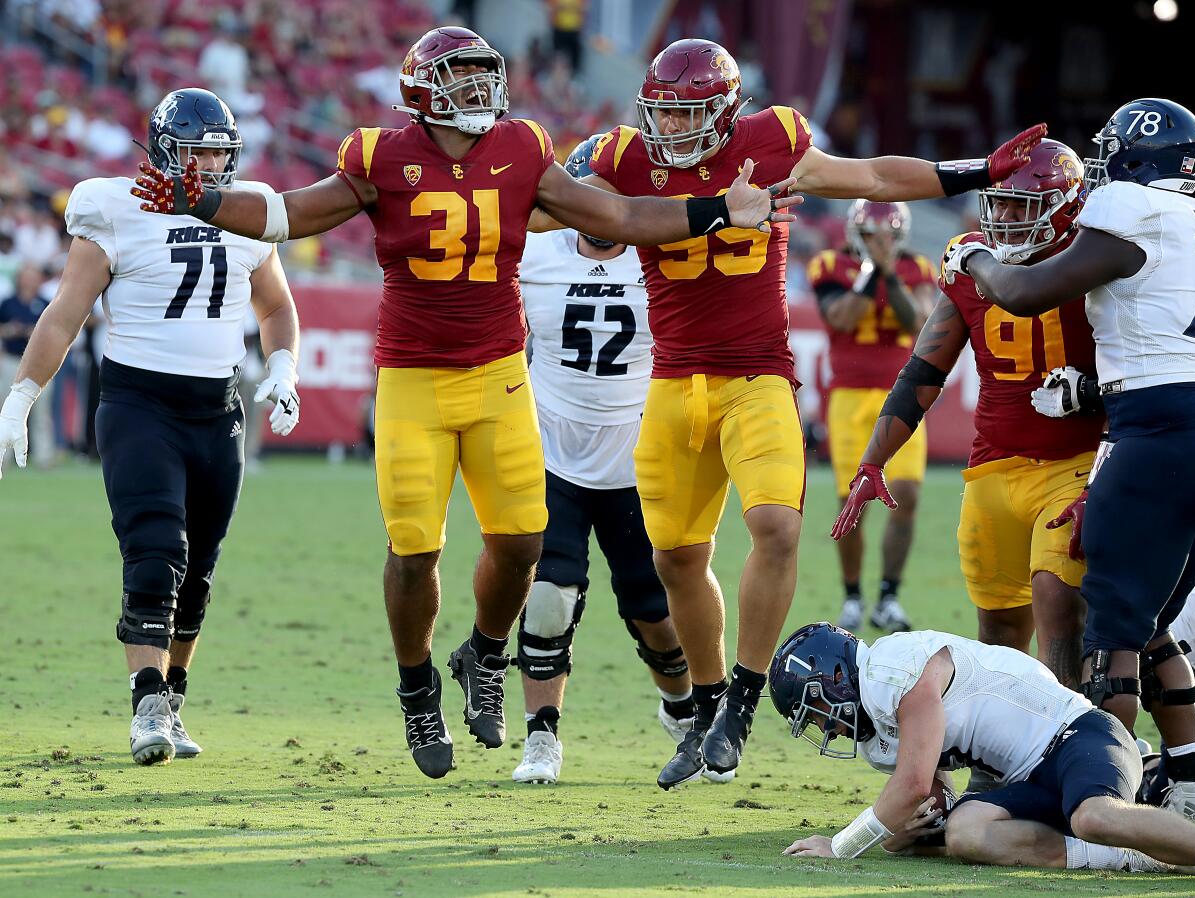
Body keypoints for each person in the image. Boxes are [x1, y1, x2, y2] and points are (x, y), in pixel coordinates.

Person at [129, 26, 802, 781]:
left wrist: (715, 211)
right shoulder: (378, 155)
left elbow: (613, 219)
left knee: (521, 546)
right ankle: (417, 688)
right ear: (421, 89)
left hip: (499, 372)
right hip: (414, 375)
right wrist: (205, 201)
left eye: (486, 76)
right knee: (415, 553)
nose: (481, 91)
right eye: (462, 79)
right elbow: (291, 213)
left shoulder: (521, 146)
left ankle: (482, 651)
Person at [537, 37, 1046, 787]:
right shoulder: (619, 152)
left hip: (756, 375)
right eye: (661, 114)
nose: (668, 130)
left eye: (686, 116)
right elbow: (558, 204)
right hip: (673, 381)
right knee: (675, 558)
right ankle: (706, 703)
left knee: (775, 525)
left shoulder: (773, 137)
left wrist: (976, 169)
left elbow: (871, 175)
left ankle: (741, 700)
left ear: (724, 112)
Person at [0, 88, 301, 765]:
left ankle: (172, 700)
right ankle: (144, 703)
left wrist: (283, 367)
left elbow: (277, 303)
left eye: (219, 152)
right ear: (165, 151)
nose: (209, 164)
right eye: (196, 151)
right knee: (156, 548)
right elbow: (64, 312)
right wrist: (21, 396)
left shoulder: (244, 206)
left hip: (218, 409)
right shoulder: (115, 204)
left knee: (198, 570)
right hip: (140, 404)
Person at [944, 98, 1195, 819]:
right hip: (1178, 411)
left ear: (1131, 159)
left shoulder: (1129, 204)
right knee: (1152, 620)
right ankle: (1189, 781)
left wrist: (975, 258)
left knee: (1111, 629)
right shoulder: (1190, 218)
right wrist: (1092, 387)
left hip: (1153, 433)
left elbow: (1022, 293)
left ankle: (1104, 799)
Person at [831, 140, 1099, 707]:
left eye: (1021, 206)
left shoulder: (1094, 258)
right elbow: (924, 370)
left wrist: (1092, 391)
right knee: (999, 633)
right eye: (997, 205)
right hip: (993, 468)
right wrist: (874, 459)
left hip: (1073, 463)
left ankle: (1072, 747)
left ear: (1066, 208)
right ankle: (1005, 758)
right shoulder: (969, 267)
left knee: (1057, 604)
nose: (1003, 218)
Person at [512, 135, 720, 786]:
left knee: (653, 610)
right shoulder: (533, 253)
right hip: (551, 452)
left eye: (615, 200)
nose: (601, 214)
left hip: (638, 455)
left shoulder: (663, 260)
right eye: (589, 198)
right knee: (549, 596)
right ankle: (542, 736)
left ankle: (683, 711)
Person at [769, 622, 1195, 873]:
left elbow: (913, 784)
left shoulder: (889, 669)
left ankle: (1154, 815)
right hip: (1030, 778)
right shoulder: (878, 736)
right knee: (966, 832)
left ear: (835, 677)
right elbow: (932, 806)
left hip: (1077, 735)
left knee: (1093, 815)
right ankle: (1123, 856)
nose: (828, 727)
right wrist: (899, 834)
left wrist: (842, 844)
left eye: (818, 710)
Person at [809, 200, 936, 633]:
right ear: (855, 233)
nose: (880, 242)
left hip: (901, 395)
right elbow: (841, 318)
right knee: (852, 501)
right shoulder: (829, 264)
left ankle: (887, 596)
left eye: (886, 235)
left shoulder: (916, 266)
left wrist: (887, 272)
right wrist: (871, 273)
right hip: (849, 396)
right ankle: (852, 597)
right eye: (871, 234)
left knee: (907, 494)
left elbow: (915, 318)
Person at [0, 263, 54, 468]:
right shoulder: (8, 303)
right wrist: (10, 330)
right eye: (27, 276)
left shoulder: (45, 302)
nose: (30, 280)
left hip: (41, 363)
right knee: (6, 408)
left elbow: (55, 332)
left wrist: (36, 333)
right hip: (13, 359)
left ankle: (44, 455)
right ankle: (4, 457)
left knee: (42, 412)